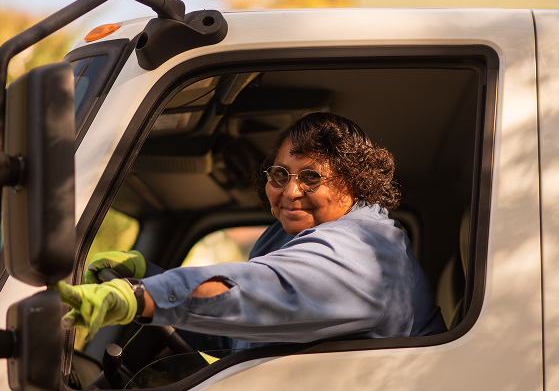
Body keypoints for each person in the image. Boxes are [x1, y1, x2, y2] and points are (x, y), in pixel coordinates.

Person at [57, 112, 447, 351]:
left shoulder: (364, 248)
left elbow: (255, 289)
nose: (290, 191)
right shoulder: (288, 235)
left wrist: (140, 296)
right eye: (280, 175)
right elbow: (242, 332)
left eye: (311, 177)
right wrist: (149, 276)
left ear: (355, 182)